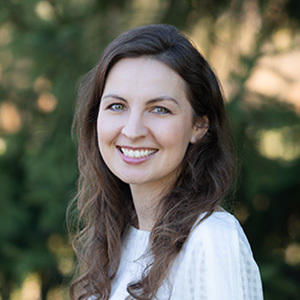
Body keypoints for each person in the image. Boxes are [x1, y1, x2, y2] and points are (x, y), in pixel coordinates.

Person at [68, 24, 263, 300]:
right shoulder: (118, 237)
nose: (133, 130)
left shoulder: (211, 240)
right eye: (117, 106)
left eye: (159, 109)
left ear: (199, 126)